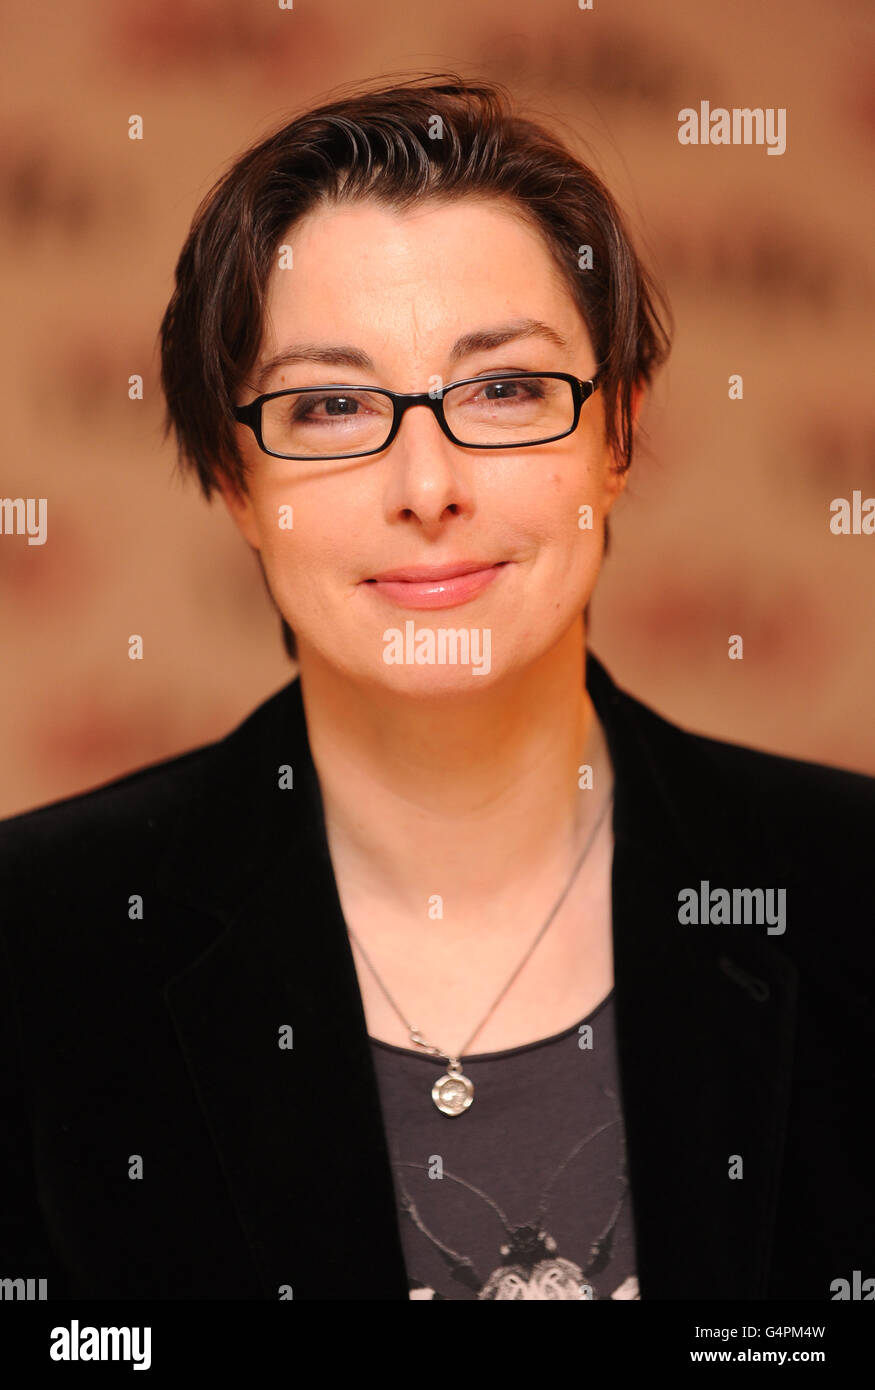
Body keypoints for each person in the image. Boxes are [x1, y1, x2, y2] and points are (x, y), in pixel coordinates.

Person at [1, 74, 872, 1303]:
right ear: (234, 480)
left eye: (505, 390)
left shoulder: (846, 892)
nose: (427, 483)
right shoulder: (38, 947)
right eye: (332, 405)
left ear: (614, 435)